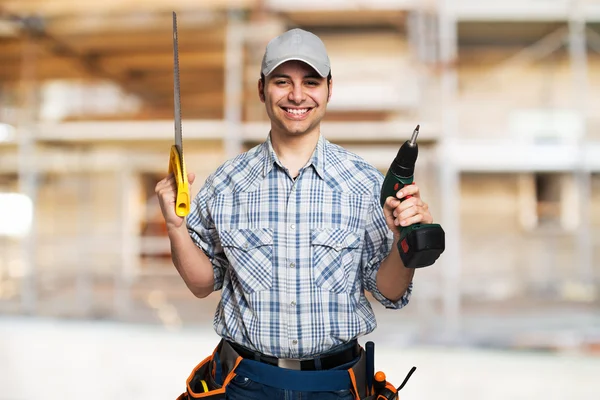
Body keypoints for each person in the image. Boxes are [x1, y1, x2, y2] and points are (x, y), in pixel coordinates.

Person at [156, 28, 435, 400]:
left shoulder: (366, 184)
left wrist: (405, 242)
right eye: (282, 81)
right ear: (261, 89)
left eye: (311, 82)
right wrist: (176, 228)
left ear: (329, 90)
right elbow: (201, 283)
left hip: (336, 386)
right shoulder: (226, 183)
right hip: (246, 384)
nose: (297, 95)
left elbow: (388, 291)